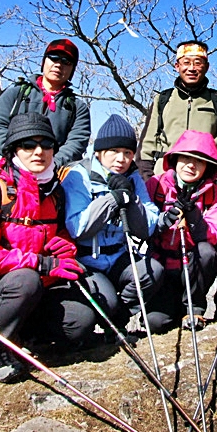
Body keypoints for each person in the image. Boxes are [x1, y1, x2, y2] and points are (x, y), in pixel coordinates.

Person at [0, 113, 94, 382]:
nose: (39, 152)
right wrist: (41, 262)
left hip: (35, 287)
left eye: (46, 145)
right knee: (26, 281)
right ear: (13, 150)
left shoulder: (54, 190)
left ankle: (24, 333)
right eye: (28, 146)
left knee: (81, 321)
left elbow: (59, 234)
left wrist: (64, 249)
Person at [62, 115, 162, 330]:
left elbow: (148, 226)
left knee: (153, 271)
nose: (121, 159)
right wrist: (112, 198)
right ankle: (110, 315)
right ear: (99, 152)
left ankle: (119, 319)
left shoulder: (134, 178)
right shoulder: (79, 176)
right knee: (108, 302)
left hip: (119, 255)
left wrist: (130, 198)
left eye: (127, 153)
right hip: (88, 260)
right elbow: (77, 228)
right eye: (114, 151)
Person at [145, 130, 217, 332]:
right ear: (175, 158)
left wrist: (192, 216)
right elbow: (142, 226)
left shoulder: (215, 194)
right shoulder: (155, 185)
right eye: (186, 157)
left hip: (192, 265)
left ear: (209, 166)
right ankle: (173, 308)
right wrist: (162, 222)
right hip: (161, 265)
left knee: (206, 252)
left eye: (199, 161)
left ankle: (195, 307)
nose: (191, 165)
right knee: (156, 323)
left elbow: (212, 236)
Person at [137, 40, 217, 190]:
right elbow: (146, 146)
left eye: (198, 63)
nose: (191, 68)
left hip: (206, 185)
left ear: (206, 67)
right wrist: (148, 181)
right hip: (162, 184)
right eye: (186, 62)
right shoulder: (162, 100)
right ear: (177, 66)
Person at [0, 39, 90, 168]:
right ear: (44, 61)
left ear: (72, 69)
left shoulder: (78, 108)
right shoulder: (16, 93)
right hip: (13, 168)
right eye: (54, 58)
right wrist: (19, 156)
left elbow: (77, 143)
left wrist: (51, 164)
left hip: (56, 174)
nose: (58, 65)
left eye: (66, 62)